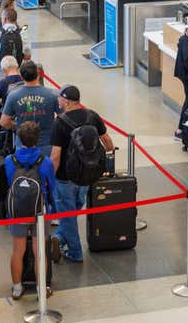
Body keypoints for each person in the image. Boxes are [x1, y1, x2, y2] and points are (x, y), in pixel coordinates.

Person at [50, 85, 114, 262]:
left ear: (66, 101)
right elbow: (107, 141)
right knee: (73, 209)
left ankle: (75, 252)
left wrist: (49, 178)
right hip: (88, 174)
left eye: (60, 99)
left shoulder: (60, 122)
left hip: (65, 177)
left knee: (68, 214)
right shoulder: (91, 115)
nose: (58, 101)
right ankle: (60, 238)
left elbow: (55, 156)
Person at [5, 121, 57, 300]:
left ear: (20, 138)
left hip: (17, 211)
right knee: (39, 252)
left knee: (17, 251)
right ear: (37, 139)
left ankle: (17, 288)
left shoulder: (9, 160)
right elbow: (51, 186)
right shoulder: (45, 161)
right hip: (39, 211)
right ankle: (41, 288)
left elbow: (9, 181)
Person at [1, 61, 58, 156]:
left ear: (21, 77)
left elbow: (4, 122)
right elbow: (62, 117)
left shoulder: (13, 96)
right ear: (38, 75)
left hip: (22, 146)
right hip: (46, 145)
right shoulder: (51, 94)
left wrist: (18, 126)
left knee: (22, 171)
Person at [0, 8, 31, 81]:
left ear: (4, 19)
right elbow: (27, 56)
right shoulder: (22, 33)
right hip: (16, 77)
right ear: (15, 19)